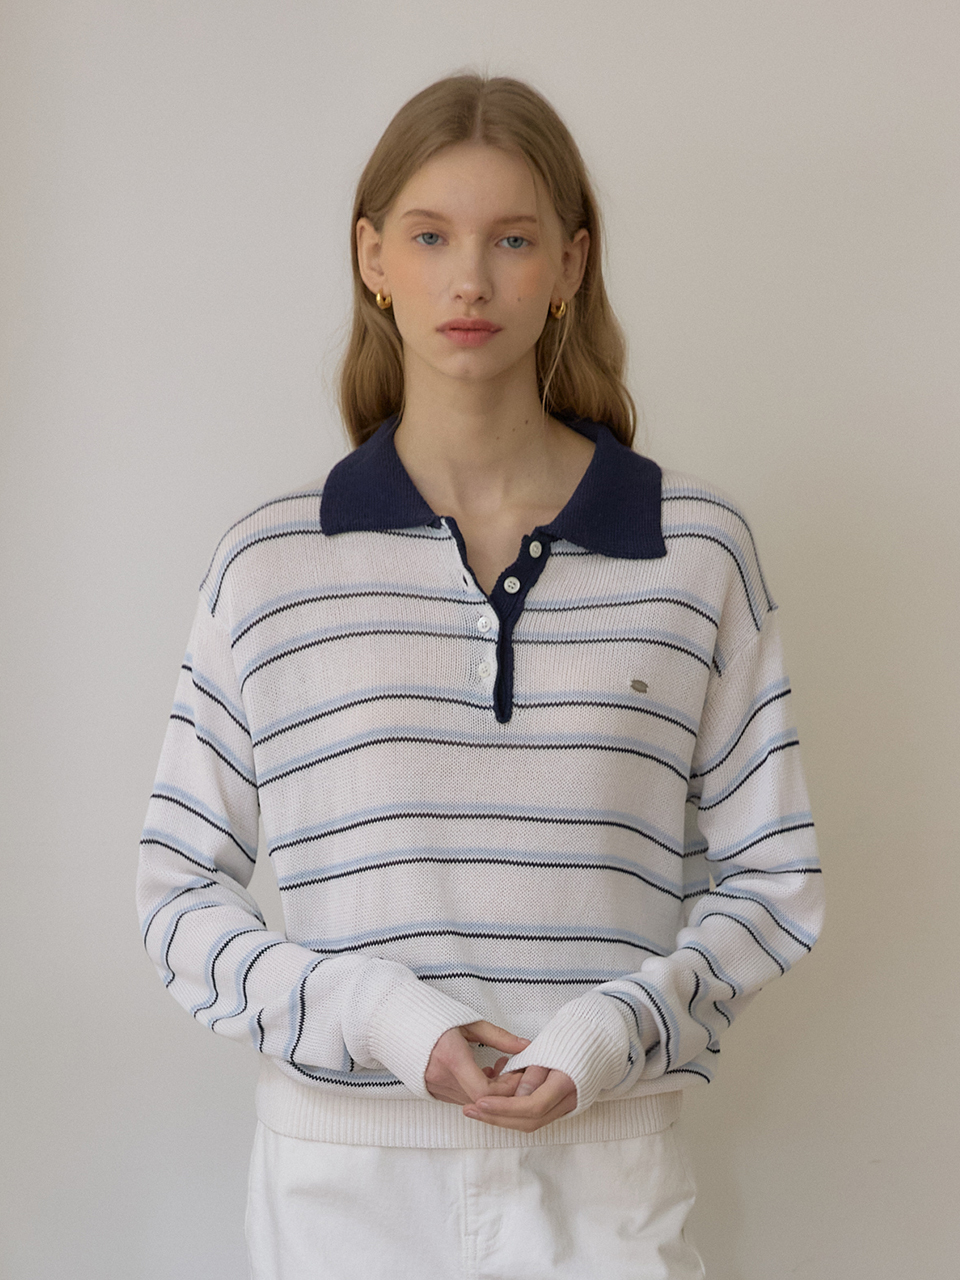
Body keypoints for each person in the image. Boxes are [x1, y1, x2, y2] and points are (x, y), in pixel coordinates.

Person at [137, 73, 824, 1279]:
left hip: (605, 1175)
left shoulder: (696, 552)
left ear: (569, 265)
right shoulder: (271, 563)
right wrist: (381, 1017)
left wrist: (616, 1027)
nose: (470, 280)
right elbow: (176, 891)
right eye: (430, 237)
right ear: (372, 258)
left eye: (512, 239)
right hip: (342, 1184)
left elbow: (775, 883)